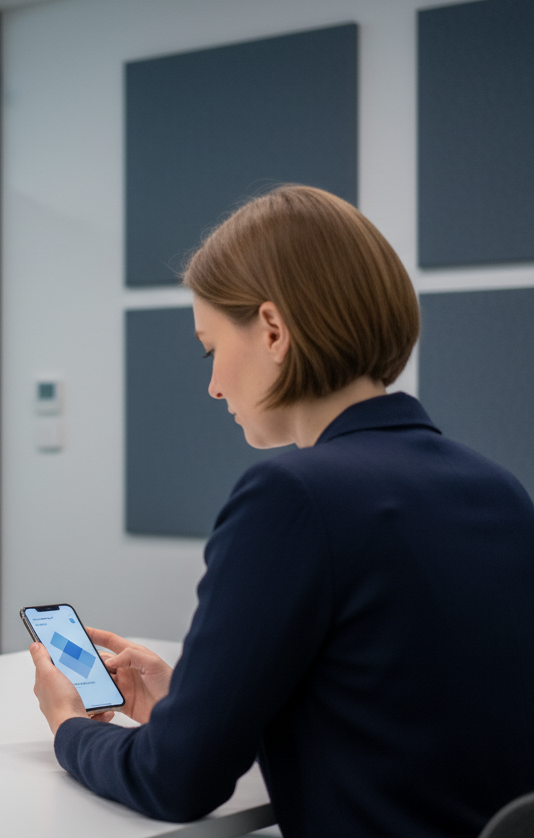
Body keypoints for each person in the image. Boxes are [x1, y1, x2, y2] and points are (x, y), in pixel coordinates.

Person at [29, 186, 534, 837]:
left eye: (211, 348)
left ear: (272, 329)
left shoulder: (292, 495)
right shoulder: (496, 486)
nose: (212, 385)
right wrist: (192, 706)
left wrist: (68, 725)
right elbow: (403, 722)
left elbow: (174, 782)